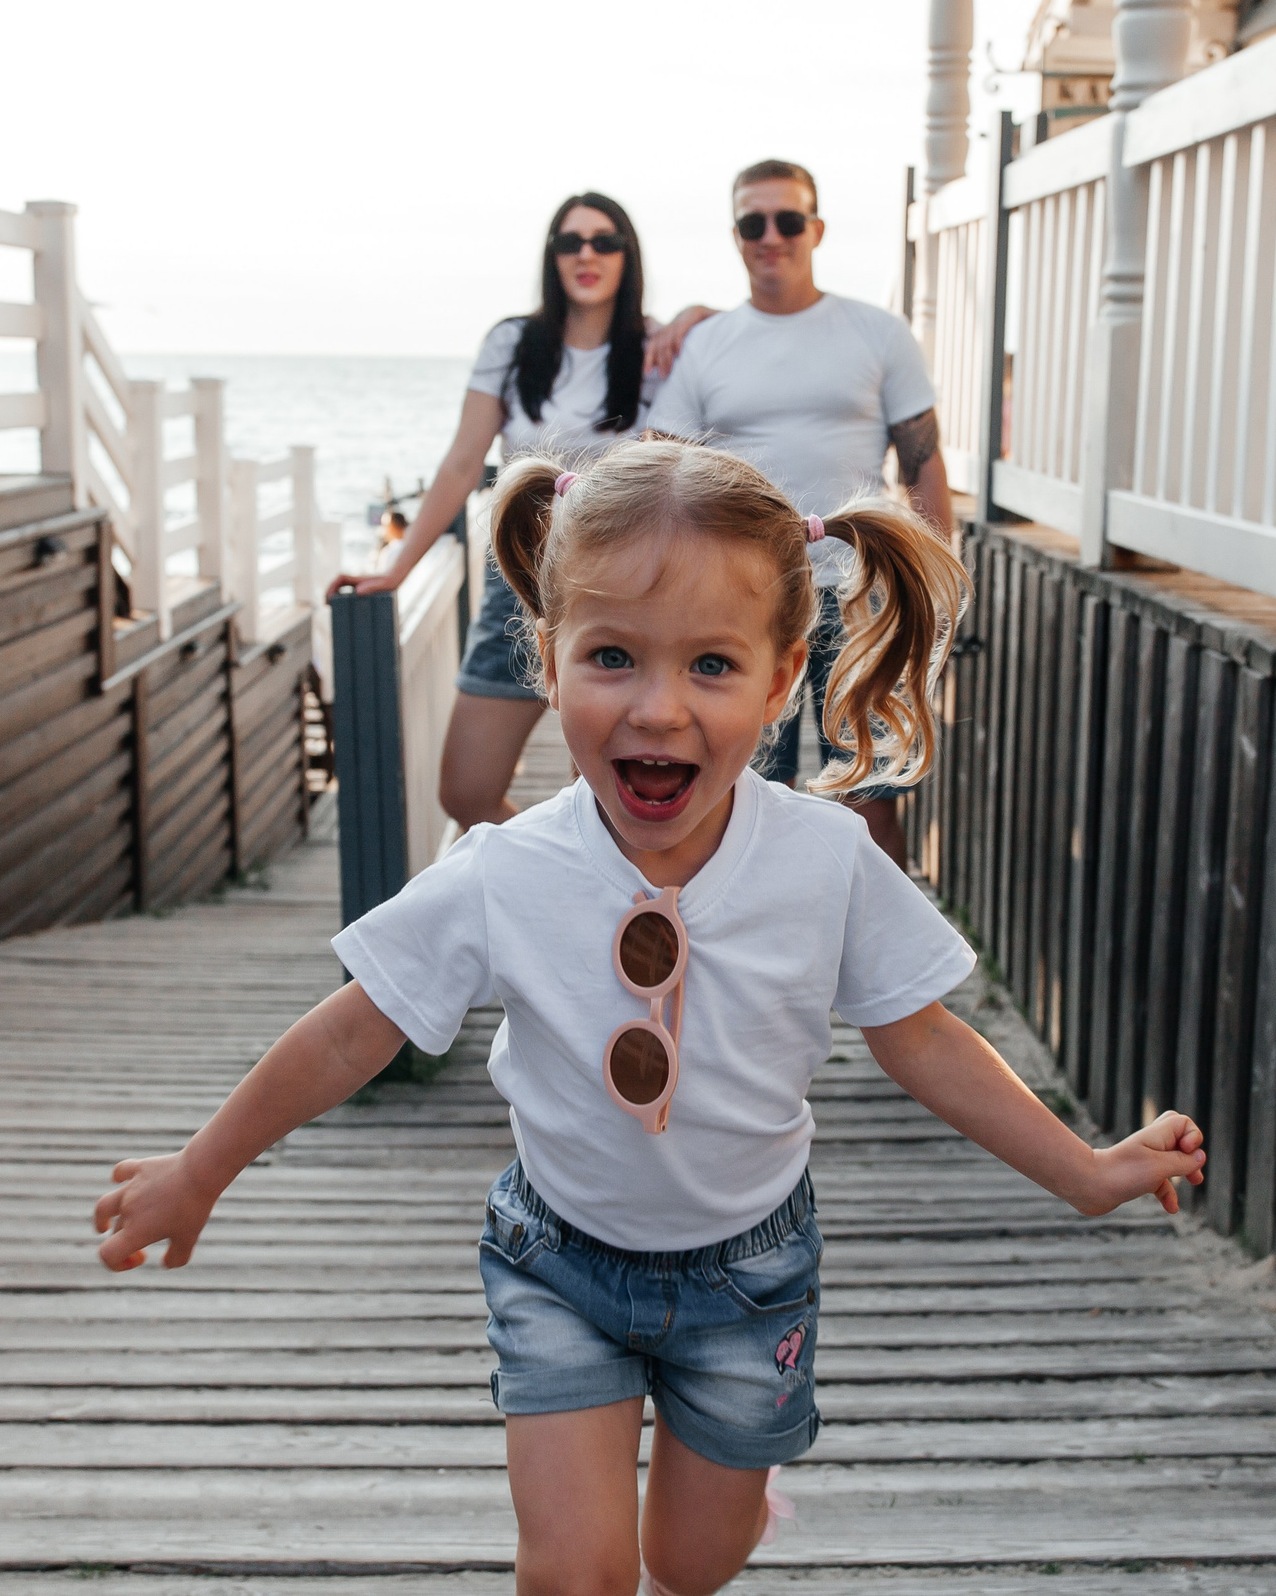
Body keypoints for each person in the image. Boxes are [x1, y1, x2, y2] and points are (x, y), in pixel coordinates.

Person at [95, 441, 1207, 1596]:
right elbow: (349, 1030)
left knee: (689, 1563)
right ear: (549, 661)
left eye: (712, 664)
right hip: (555, 1261)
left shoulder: (825, 860)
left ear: (781, 681)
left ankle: (732, 1502)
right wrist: (201, 1168)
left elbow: (919, 1035)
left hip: (750, 1277)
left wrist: (1083, 1170)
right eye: (611, 657)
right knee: (576, 1574)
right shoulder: (505, 871)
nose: (658, 708)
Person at [339, 191, 700, 829]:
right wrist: (395, 569)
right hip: (520, 580)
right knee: (466, 790)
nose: (586, 255)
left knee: (609, 802)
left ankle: (597, 890)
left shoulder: (656, 348)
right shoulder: (512, 343)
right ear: (552, 256)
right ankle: (550, 873)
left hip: (621, 586)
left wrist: (700, 315)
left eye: (604, 241)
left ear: (628, 255)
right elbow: (461, 464)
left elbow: (674, 471)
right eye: (570, 242)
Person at [648, 159, 953, 869]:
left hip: (860, 592)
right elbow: (663, 471)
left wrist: (937, 592)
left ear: (816, 229)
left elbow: (923, 465)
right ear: (736, 235)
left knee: (874, 792)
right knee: (744, 793)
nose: (771, 236)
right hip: (741, 598)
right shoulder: (707, 344)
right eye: (753, 223)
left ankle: (881, 937)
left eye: (788, 219)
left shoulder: (877, 332)